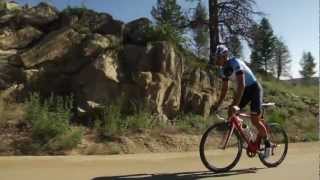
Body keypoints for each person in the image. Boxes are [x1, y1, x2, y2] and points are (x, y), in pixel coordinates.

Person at [212, 44, 271, 158]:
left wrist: (235, 104)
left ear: (225, 56)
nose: (216, 59)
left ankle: (267, 145)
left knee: (255, 120)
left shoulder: (235, 63)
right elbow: (224, 89)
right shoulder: (223, 70)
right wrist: (218, 104)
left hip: (254, 88)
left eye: (218, 57)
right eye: (216, 57)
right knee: (231, 112)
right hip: (243, 90)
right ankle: (244, 138)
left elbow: (242, 85)